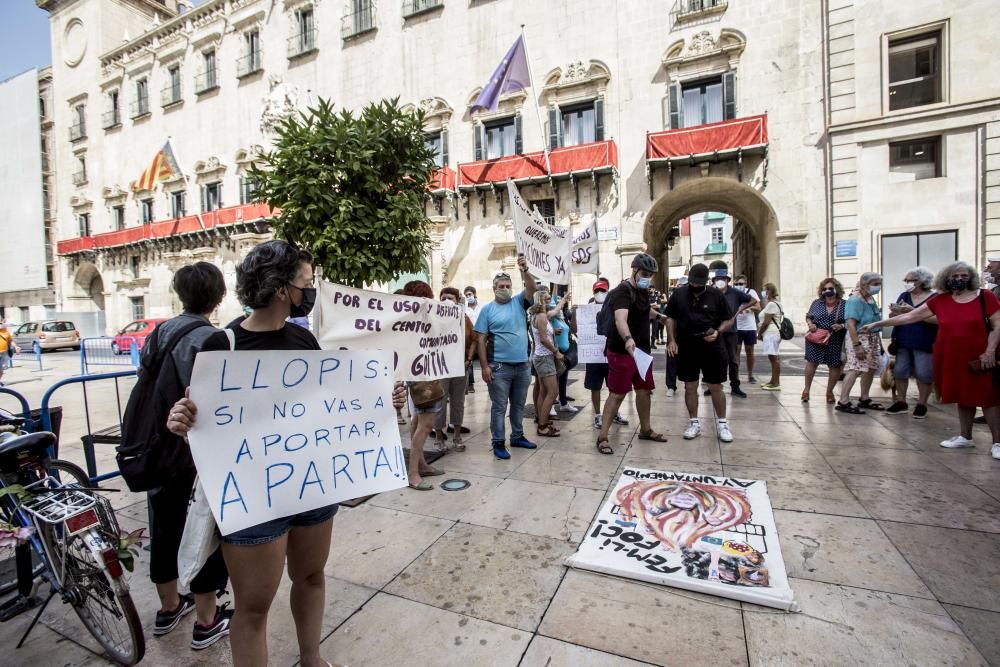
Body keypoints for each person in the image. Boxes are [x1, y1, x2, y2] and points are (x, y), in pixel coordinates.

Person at [166, 240, 337, 667]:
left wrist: (376, 402)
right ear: (282, 289)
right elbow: (200, 423)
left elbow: (327, 404)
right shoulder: (220, 346)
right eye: (306, 283)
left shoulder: (304, 339)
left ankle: (311, 658)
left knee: (312, 576)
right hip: (251, 500)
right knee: (254, 606)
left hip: (310, 487)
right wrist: (182, 418)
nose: (310, 290)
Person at [146, 263, 232, 648]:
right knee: (202, 527)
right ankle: (206, 618)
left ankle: (167, 607)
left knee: (163, 524)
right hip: (194, 451)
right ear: (218, 296)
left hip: (158, 446)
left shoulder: (159, 333)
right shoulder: (213, 339)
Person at [863, 261, 1000, 460]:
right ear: (946, 278)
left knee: (988, 397)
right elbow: (908, 317)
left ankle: (997, 442)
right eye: (954, 276)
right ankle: (965, 436)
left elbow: (998, 325)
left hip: (980, 356)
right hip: (952, 356)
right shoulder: (941, 300)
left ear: (970, 277)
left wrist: (990, 351)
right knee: (962, 396)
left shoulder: (984, 297)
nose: (959, 279)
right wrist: (877, 323)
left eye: (963, 276)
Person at [595, 254, 665, 455]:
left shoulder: (642, 291)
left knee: (644, 391)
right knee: (617, 394)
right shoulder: (621, 292)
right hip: (622, 351)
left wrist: (661, 317)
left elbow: (644, 311)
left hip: (642, 352)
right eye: (644, 274)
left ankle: (645, 429)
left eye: (650, 275)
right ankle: (603, 437)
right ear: (634, 271)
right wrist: (628, 339)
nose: (647, 278)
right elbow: (620, 319)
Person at [474, 254, 538, 460]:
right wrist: (485, 367)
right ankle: (498, 442)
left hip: (522, 366)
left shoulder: (519, 302)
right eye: (501, 286)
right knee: (500, 407)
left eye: (507, 285)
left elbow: (531, 288)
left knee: (519, 405)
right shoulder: (487, 310)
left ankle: (517, 436)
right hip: (499, 367)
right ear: (494, 288)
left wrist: (524, 269)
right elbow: (480, 340)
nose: (505, 289)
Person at [665, 263, 735, 443]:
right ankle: (694, 422)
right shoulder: (679, 294)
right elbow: (670, 317)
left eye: (699, 283)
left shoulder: (716, 295)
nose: (695, 286)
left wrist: (718, 331)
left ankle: (722, 423)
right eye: (693, 282)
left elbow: (729, 320)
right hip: (687, 345)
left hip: (712, 345)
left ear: (705, 281)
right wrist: (671, 340)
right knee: (689, 385)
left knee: (715, 385)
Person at [884, 267, 936, 418]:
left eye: (910, 280)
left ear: (921, 281)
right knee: (900, 371)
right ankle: (901, 402)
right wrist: (894, 312)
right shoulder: (905, 295)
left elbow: (938, 319)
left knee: (923, 373)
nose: (907, 283)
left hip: (924, 341)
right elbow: (897, 316)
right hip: (903, 339)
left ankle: (922, 404)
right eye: (905, 280)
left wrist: (912, 311)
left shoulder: (934, 298)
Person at [582, 279, 630, 430]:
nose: (599, 293)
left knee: (614, 387)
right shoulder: (586, 309)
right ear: (592, 293)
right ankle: (597, 415)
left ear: (608, 291)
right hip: (594, 356)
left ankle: (614, 413)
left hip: (611, 354)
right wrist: (577, 315)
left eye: (602, 290)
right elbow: (577, 329)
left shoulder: (615, 307)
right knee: (595, 387)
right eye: (596, 291)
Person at [433, 287, 475, 452]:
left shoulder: (464, 319)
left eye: (450, 298)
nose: (446, 302)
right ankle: (438, 437)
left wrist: (469, 359)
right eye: (443, 298)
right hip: (441, 367)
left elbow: (474, 340)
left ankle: (457, 436)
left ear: (458, 301)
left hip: (460, 368)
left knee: (458, 402)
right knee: (439, 403)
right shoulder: (434, 319)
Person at [836, 272, 885, 414]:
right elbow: (851, 324)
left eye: (879, 284)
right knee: (856, 368)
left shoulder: (869, 298)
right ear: (864, 284)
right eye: (875, 284)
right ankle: (843, 400)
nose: (878, 287)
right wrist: (857, 345)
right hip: (859, 337)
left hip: (873, 337)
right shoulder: (855, 300)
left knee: (870, 368)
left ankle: (864, 398)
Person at [710, 268, 757, 398]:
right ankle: (713, 384)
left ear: (727, 281)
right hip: (715, 330)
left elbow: (753, 300)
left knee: (732, 359)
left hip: (730, 331)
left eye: (723, 279)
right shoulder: (711, 293)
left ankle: (735, 386)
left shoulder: (734, 293)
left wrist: (741, 308)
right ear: (714, 281)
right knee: (714, 359)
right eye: (718, 279)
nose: (720, 281)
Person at [802, 278, 848, 403]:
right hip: (816, 336)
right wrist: (810, 324)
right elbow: (809, 316)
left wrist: (842, 326)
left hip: (835, 338)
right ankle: (806, 390)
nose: (827, 291)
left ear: (837, 290)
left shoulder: (844, 304)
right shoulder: (817, 303)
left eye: (830, 288)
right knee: (812, 362)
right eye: (825, 289)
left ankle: (829, 391)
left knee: (834, 364)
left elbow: (850, 320)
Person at [530, 289, 563, 437]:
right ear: (542, 301)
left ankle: (541, 419)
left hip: (542, 357)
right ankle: (542, 426)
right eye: (548, 299)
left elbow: (556, 309)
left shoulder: (538, 315)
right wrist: (556, 351)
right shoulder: (542, 316)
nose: (550, 302)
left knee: (543, 391)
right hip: (544, 358)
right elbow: (543, 339)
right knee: (552, 392)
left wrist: (565, 298)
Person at [732, 275, 761, 383]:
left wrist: (748, 308)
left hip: (749, 326)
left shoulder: (751, 292)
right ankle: (736, 375)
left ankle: (750, 374)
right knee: (737, 351)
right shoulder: (733, 293)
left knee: (749, 351)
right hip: (737, 326)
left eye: (741, 284)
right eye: (736, 284)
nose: (738, 286)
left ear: (745, 284)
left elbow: (758, 307)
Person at [756, 283, 784, 391]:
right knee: (774, 358)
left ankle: (776, 383)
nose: (763, 292)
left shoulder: (771, 305)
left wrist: (759, 334)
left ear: (769, 291)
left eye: (764, 290)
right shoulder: (776, 303)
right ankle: (773, 381)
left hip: (771, 333)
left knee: (774, 359)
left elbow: (766, 322)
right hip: (773, 333)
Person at [463, 286, 484, 394]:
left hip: (482, 335)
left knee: (484, 357)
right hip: (471, 336)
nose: (468, 297)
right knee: (469, 359)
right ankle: (470, 384)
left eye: (470, 294)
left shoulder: (483, 306)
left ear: (475, 294)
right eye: (466, 295)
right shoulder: (464, 308)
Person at [0, 321, 19, 387]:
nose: (1, 325)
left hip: (4, 353)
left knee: (1, 370)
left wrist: (16, 346)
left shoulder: (6, 332)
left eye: (1, 323)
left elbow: (10, 341)